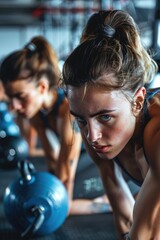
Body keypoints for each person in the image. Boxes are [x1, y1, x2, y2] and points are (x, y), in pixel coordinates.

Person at [61, 9, 160, 240]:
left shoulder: (157, 131)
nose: (92, 136)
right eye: (81, 119)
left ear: (137, 101)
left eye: (105, 117)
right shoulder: (93, 132)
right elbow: (126, 219)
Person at [0, 35, 113, 215]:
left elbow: (66, 172)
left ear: (42, 87)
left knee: (60, 208)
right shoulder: (37, 114)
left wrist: (54, 201)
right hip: (84, 160)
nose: (14, 107)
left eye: (20, 97)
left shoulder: (67, 110)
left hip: (108, 161)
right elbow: (52, 160)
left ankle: (111, 203)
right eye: (11, 98)